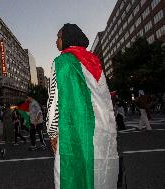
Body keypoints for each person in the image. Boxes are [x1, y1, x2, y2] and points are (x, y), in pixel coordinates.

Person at [47, 23, 119, 188]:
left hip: (73, 131)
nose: (56, 41)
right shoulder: (94, 61)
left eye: (58, 36)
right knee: (98, 175)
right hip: (100, 130)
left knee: (71, 176)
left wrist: (52, 132)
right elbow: (105, 98)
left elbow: (54, 100)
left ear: (67, 38)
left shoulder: (62, 62)